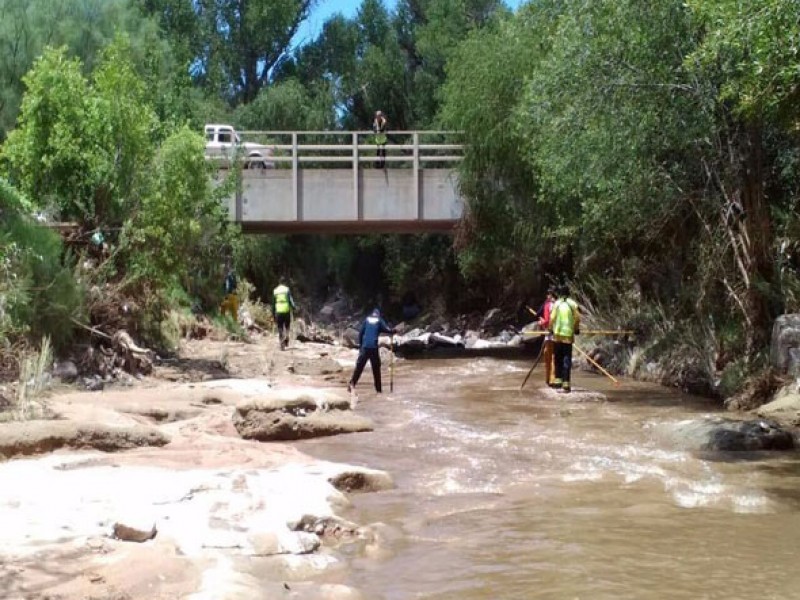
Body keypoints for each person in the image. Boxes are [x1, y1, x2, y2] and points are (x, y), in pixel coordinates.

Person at [348, 308, 394, 393]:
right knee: (376, 370)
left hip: (364, 348)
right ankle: (378, 390)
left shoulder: (366, 320)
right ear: (378, 314)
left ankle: (351, 385)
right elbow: (387, 330)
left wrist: (361, 346)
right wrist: (393, 331)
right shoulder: (379, 321)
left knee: (359, 368)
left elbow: (361, 334)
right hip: (373, 349)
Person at [549, 284, 580, 393]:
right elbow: (577, 318)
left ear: (560, 293)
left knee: (557, 358)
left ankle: (558, 381)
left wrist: (550, 329)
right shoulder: (573, 304)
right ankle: (566, 384)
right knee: (566, 359)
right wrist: (576, 329)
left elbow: (552, 318)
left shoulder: (556, 304)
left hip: (557, 335)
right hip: (568, 336)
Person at [536, 287, 558, 388]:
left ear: (550, 295)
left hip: (550, 333)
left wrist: (542, 322)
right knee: (553, 356)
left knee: (549, 356)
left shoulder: (548, 305)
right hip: (559, 334)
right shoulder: (560, 304)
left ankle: (550, 379)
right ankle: (551, 379)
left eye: (548, 294)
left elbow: (548, 319)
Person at [272, 278, 297, 350]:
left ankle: (282, 343)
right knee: (287, 325)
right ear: (284, 283)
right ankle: (287, 337)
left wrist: (273, 313)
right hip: (286, 310)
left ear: (279, 283)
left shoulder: (275, 291)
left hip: (278, 311)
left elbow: (273, 304)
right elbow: (290, 299)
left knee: (280, 327)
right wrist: (294, 307)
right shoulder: (287, 289)